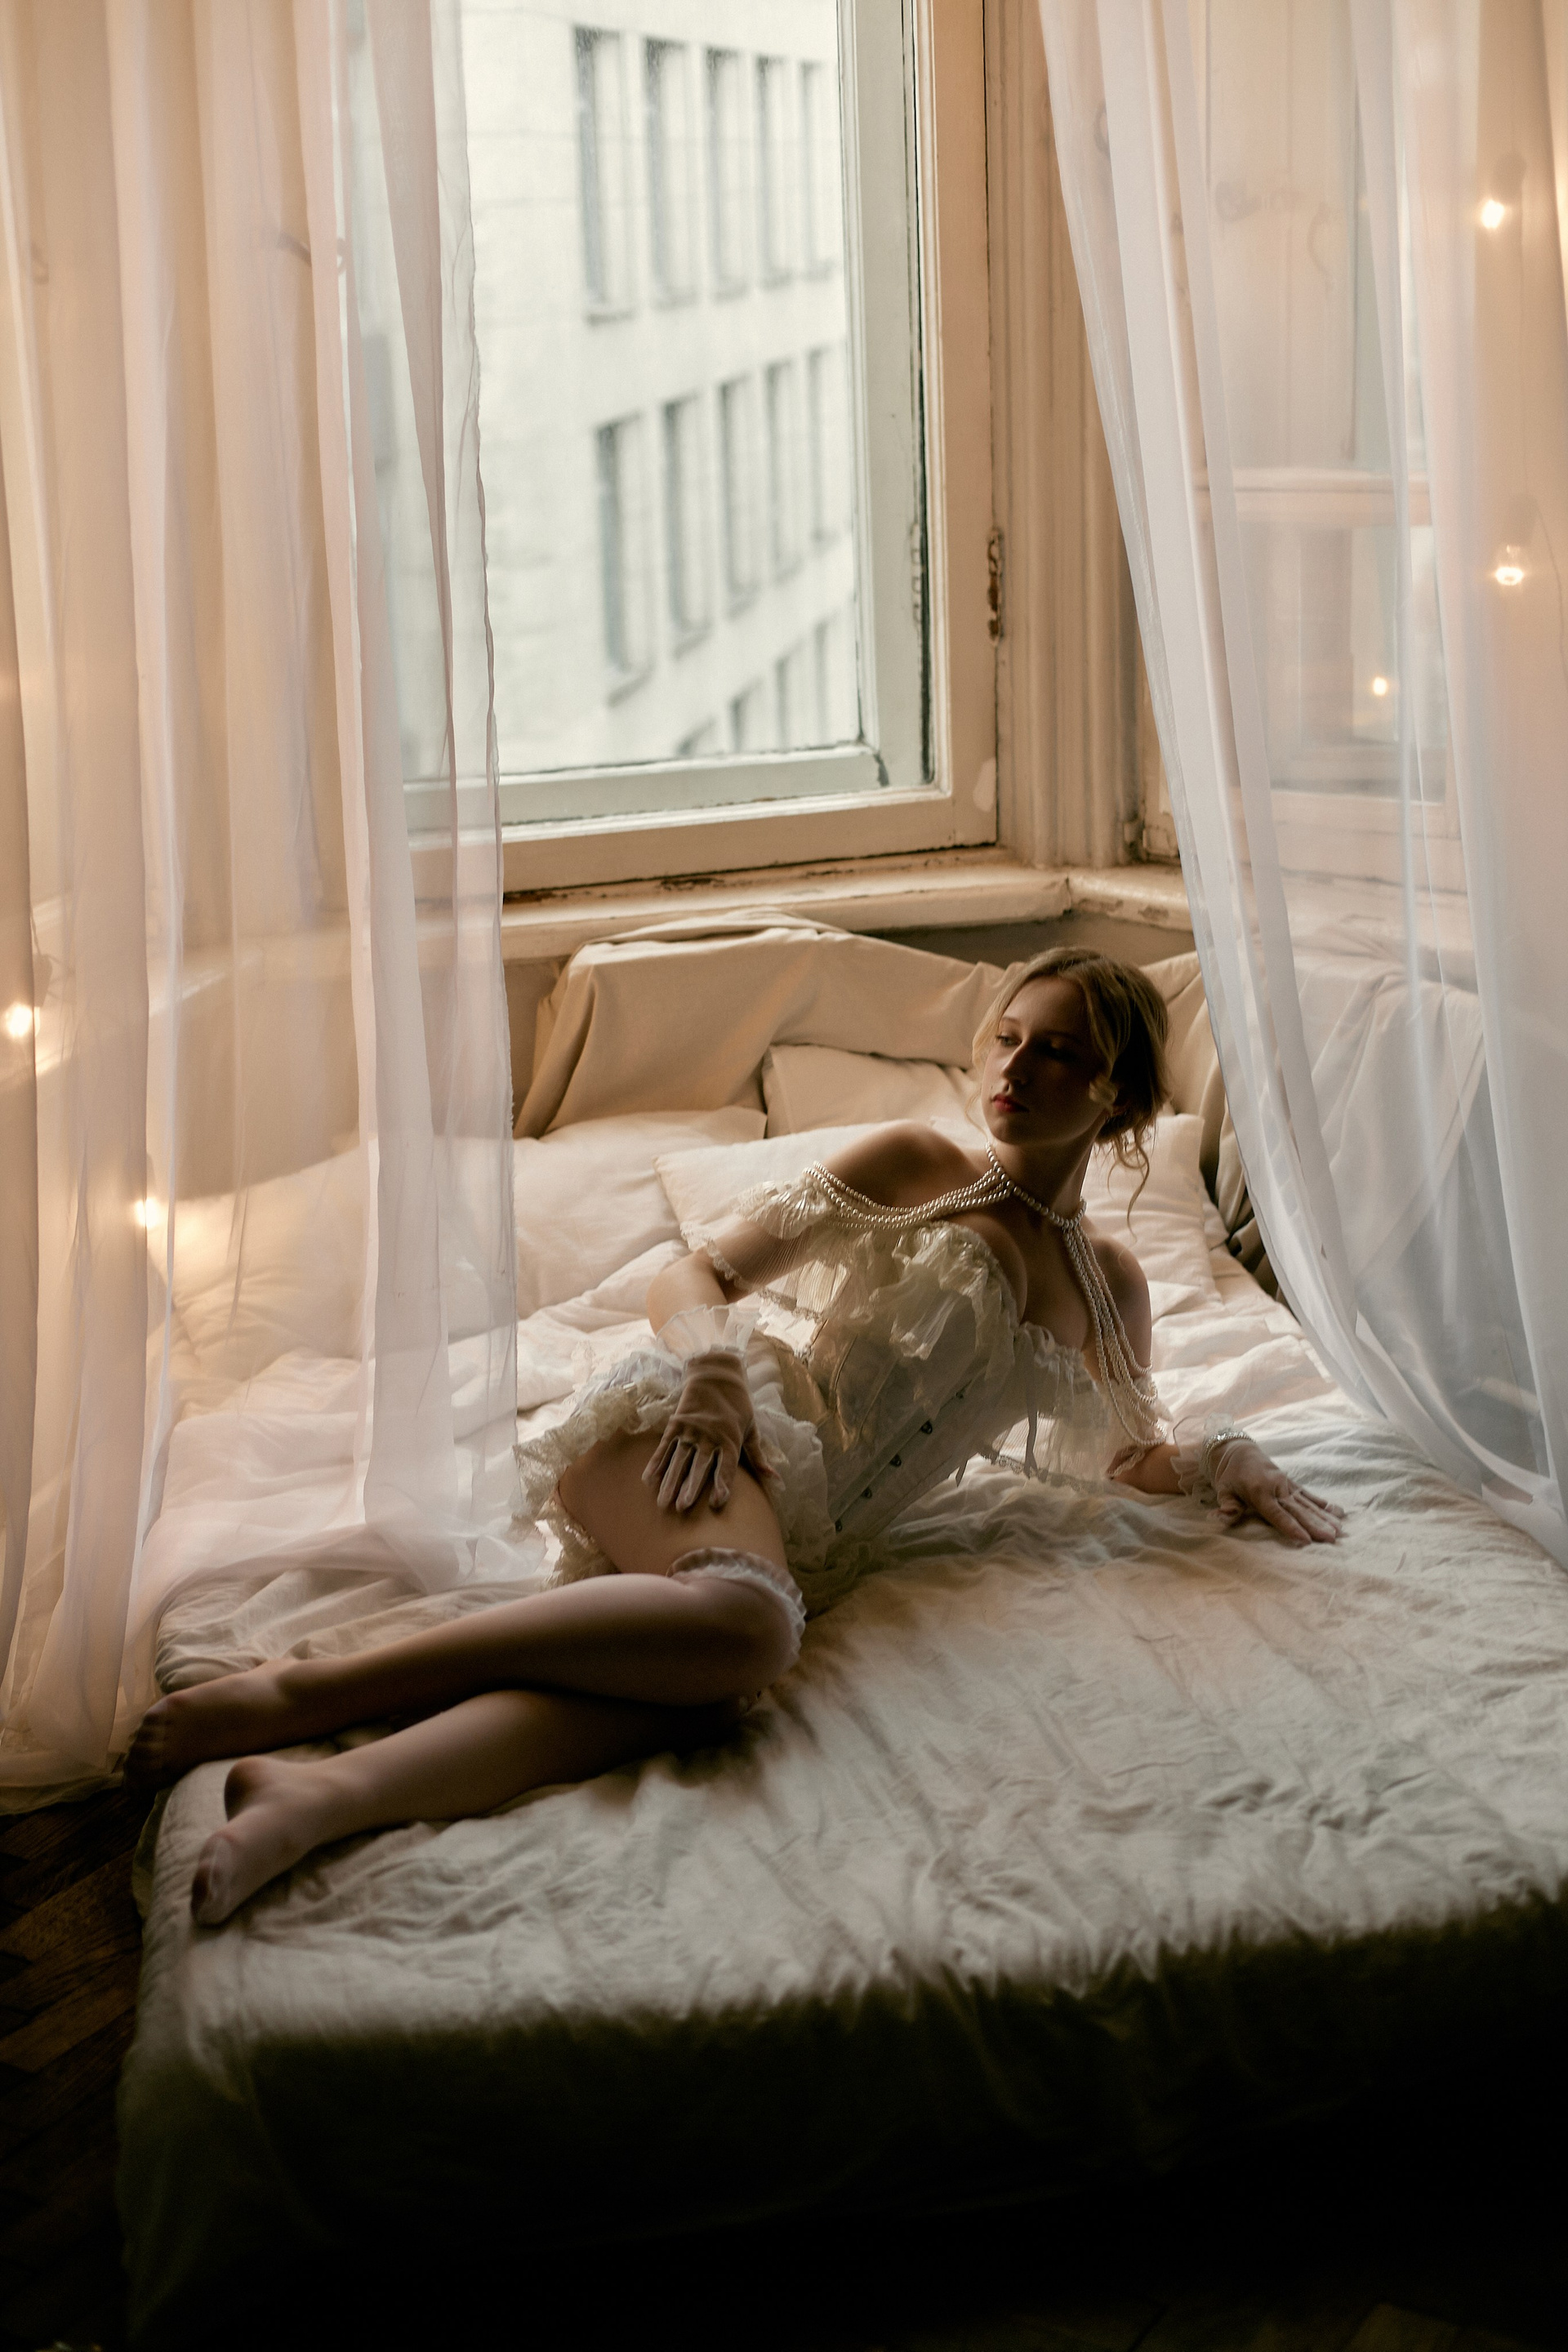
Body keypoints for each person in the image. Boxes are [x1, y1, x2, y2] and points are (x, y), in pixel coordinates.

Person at [127, 949, 1341, 1926]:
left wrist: (1222, 1458)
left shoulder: (1108, 1285)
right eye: (1008, 1037)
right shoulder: (917, 1161)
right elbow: (695, 1271)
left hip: (801, 1531)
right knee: (751, 1628)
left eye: (1057, 1051)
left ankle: (321, 1797)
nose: (1014, 1067)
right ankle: (298, 1693)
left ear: (1119, 1096)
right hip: (698, 1431)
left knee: (704, 1693)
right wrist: (713, 1375)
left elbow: (1124, 1458)